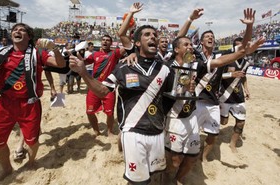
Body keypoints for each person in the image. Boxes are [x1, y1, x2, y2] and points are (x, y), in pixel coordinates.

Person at [69, 24, 174, 185]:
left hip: (158, 131)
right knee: (137, 181)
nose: (153, 36)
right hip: (133, 132)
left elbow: (171, 98)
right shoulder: (124, 67)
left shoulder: (166, 70)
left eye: (154, 34)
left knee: (155, 175)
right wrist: (83, 72)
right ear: (137, 43)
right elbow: (103, 91)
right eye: (147, 34)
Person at [0, 23, 65, 184]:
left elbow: (60, 64)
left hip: (30, 103)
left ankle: (32, 161)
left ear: (29, 36)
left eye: (22, 30)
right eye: (14, 30)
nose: (17, 31)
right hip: (5, 103)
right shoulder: (1, 52)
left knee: (32, 141)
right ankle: (7, 169)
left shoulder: (37, 54)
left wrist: (54, 48)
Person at [177, 8, 257, 162]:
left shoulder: (220, 55)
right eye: (207, 36)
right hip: (195, 101)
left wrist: (249, 26)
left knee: (213, 134)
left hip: (213, 102)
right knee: (188, 133)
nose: (211, 38)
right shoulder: (194, 54)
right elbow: (179, 39)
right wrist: (190, 19)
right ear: (201, 41)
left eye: (212, 36)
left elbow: (243, 47)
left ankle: (203, 158)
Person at [163, 36, 200, 184]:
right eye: (186, 44)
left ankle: (178, 179)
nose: (190, 47)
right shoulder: (166, 67)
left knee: (192, 158)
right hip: (173, 118)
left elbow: (218, 62)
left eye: (191, 44)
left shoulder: (195, 65)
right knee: (175, 160)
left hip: (192, 116)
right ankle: (166, 180)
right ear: (176, 49)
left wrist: (242, 51)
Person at [218, 36, 259, 153]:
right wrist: (231, 75)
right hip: (225, 96)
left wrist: (246, 89)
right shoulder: (226, 60)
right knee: (224, 122)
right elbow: (218, 76)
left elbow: (244, 77)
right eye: (238, 46)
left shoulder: (246, 63)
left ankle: (233, 144)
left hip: (239, 97)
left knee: (241, 122)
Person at [81, 34, 125, 136]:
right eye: (103, 40)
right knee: (89, 112)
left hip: (109, 86)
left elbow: (126, 48)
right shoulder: (95, 54)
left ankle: (109, 131)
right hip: (94, 86)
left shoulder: (114, 53)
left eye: (107, 40)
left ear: (111, 43)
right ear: (101, 42)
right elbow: (83, 62)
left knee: (110, 113)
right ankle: (96, 131)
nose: (105, 42)